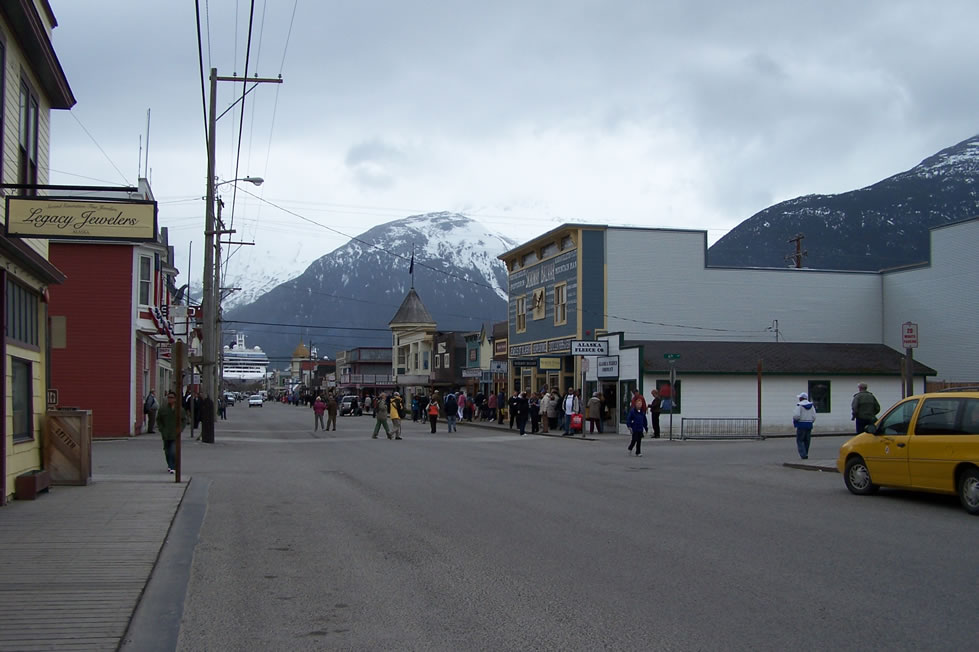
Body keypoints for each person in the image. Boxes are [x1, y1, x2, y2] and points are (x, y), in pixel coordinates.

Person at [156, 391, 186, 473]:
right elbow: (159, 420)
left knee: (173, 451)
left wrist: (180, 429)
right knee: (167, 451)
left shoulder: (179, 409)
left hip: (175, 434)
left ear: (175, 399)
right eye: (169, 397)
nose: (170, 399)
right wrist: (161, 429)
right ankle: (169, 465)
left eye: (172, 397)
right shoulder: (163, 409)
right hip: (166, 434)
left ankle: (173, 466)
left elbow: (184, 420)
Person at [793, 392, 816, 459]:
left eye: (800, 398)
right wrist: (811, 421)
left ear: (801, 398)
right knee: (807, 440)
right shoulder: (811, 406)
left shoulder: (799, 405)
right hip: (809, 424)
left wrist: (796, 420)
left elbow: (796, 416)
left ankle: (803, 454)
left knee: (800, 440)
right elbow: (814, 416)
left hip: (801, 424)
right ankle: (806, 452)